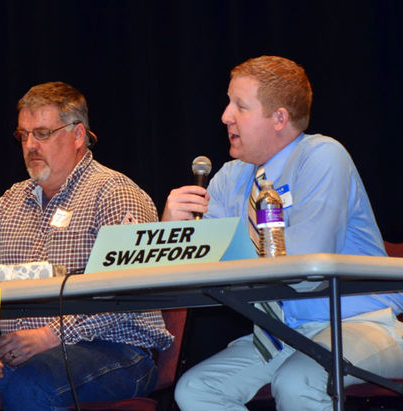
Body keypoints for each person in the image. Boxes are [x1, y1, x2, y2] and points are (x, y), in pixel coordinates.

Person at [163, 56, 403, 410]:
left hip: (360, 324)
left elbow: (306, 270)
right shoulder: (231, 177)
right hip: (282, 336)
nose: (225, 116)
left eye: (240, 106)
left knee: (297, 382)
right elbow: (197, 264)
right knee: (196, 389)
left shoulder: (322, 156)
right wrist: (174, 230)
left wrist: (223, 254)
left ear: (279, 118)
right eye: (228, 102)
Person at [0, 81, 173, 410]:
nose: (30, 145)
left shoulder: (113, 192)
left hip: (117, 350)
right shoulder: (10, 202)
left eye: (43, 133)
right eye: (23, 135)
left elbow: (125, 291)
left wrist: (50, 336)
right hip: (17, 356)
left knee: (32, 384)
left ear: (78, 135)